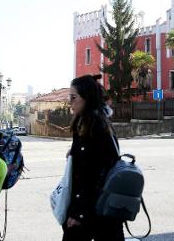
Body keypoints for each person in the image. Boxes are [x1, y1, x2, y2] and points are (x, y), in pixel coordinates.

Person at [63, 74, 123, 241]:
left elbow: (91, 178)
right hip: (100, 214)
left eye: (73, 97)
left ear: (87, 98)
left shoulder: (95, 129)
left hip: (93, 216)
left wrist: (78, 215)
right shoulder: (90, 124)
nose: (70, 102)